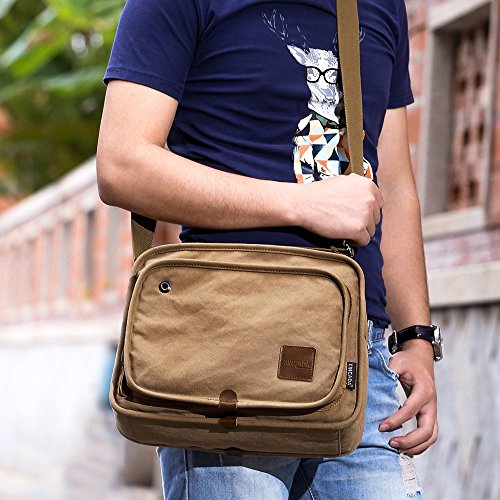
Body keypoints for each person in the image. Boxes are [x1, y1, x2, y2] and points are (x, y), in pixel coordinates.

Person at [97, 0, 439, 498]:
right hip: (225, 341)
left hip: (357, 359)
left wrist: (416, 340)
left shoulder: (382, 5)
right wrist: (301, 204)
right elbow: (121, 164)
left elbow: (396, 186)